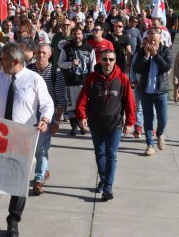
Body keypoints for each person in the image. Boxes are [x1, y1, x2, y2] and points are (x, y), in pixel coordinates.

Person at [0, 42, 53, 237]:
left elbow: (47, 104)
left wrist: (44, 120)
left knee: (19, 179)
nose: (1, 61)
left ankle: (13, 221)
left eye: (4, 59)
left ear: (15, 61)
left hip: (22, 138)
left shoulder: (34, 79)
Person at [76, 50, 136, 201]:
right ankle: (103, 178)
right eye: (104, 59)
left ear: (115, 61)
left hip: (114, 124)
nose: (107, 62)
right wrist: (81, 116)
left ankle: (108, 187)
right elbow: (83, 97)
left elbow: (129, 101)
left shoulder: (122, 78)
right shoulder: (91, 78)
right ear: (100, 60)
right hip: (96, 123)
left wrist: (130, 122)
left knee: (111, 154)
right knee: (100, 153)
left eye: (111, 59)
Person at [27, 43, 67, 195]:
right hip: (28, 115)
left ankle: (38, 180)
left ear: (50, 55)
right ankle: (44, 170)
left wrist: (56, 120)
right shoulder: (28, 70)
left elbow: (61, 100)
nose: (41, 55)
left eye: (44, 53)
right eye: (38, 52)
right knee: (30, 148)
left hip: (46, 115)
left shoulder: (56, 73)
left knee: (41, 149)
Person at [132, 28, 173, 156]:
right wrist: (146, 56)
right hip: (145, 91)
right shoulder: (142, 51)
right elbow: (136, 69)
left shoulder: (166, 51)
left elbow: (166, 67)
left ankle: (160, 133)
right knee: (148, 118)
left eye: (154, 40)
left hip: (161, 92)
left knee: (163, 118)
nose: (152, 43)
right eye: (150, 41)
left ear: (160, 39)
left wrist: (155, 54)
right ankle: (150, 144)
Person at [58, 27, 95, 135]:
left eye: (79, 34)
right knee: (72, 106)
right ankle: (74, 126)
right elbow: (60, 63)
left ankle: (83, 126)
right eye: (74, 34)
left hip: (85, 82)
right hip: (71, 81)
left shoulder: (89, 48)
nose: (77, 36)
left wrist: (92, 79)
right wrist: (70, 64)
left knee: (84, 105)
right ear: (72, 35)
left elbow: (93, 65)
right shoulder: (67, 48)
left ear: (82, 35)